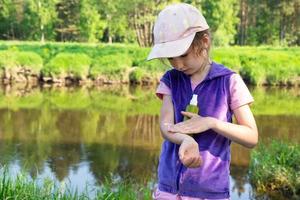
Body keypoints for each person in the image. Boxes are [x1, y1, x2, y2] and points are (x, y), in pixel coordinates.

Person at [147, 3, 258, 200]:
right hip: (168, 190)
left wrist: (210, 122)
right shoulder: (170, 80)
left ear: (204, 41)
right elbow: (166, 126)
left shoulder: (229, 81)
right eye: (171, 58)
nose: (178, 64)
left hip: (209, 192)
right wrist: (185, 139)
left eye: (183, 55)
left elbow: (251, 137)